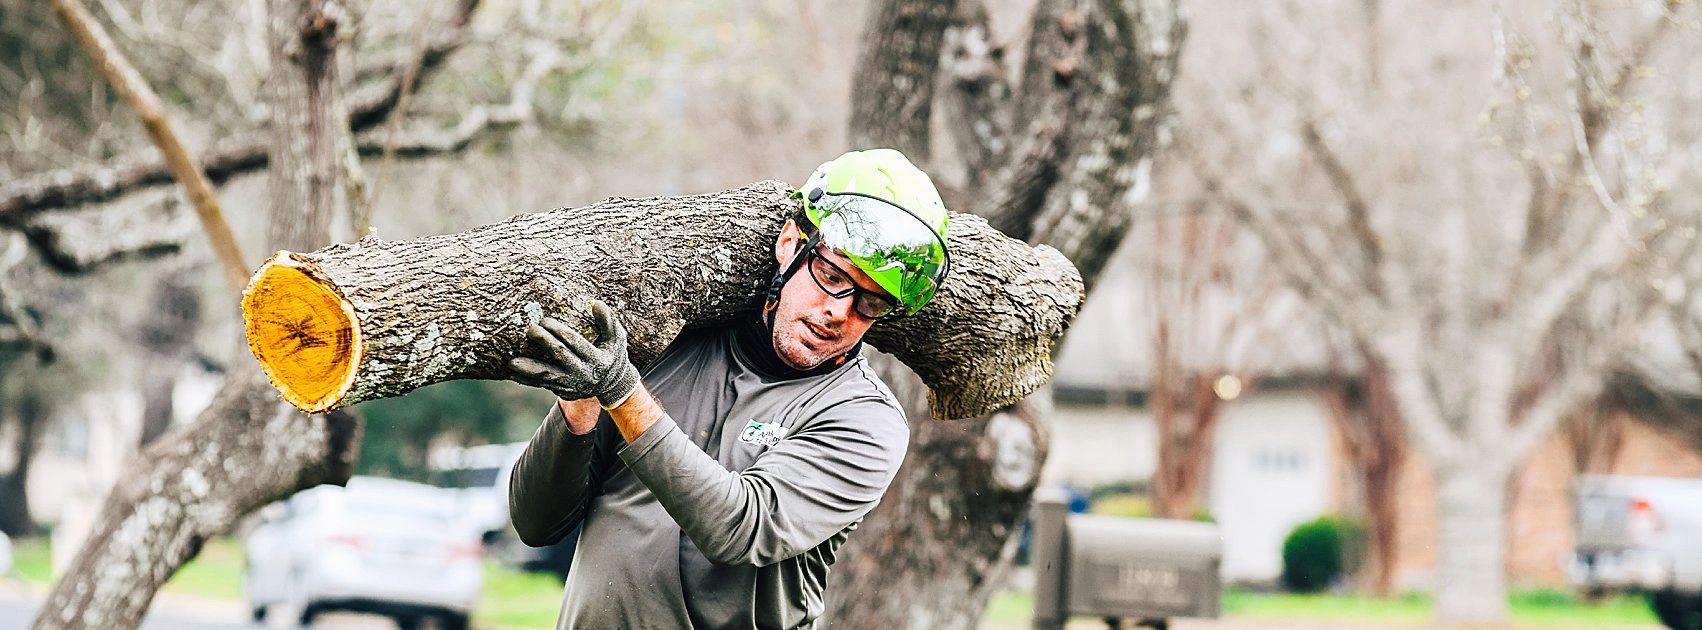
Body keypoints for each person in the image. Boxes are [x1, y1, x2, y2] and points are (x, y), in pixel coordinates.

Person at [506, 148, 952, 629]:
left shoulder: (866, 419)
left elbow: (741, 528)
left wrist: (621, 392)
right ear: (790, 244)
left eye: (870, 302)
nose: (839, 312)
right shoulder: (667, 340)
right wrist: (579, 407)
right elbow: (536, 524)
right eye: (832, 276)